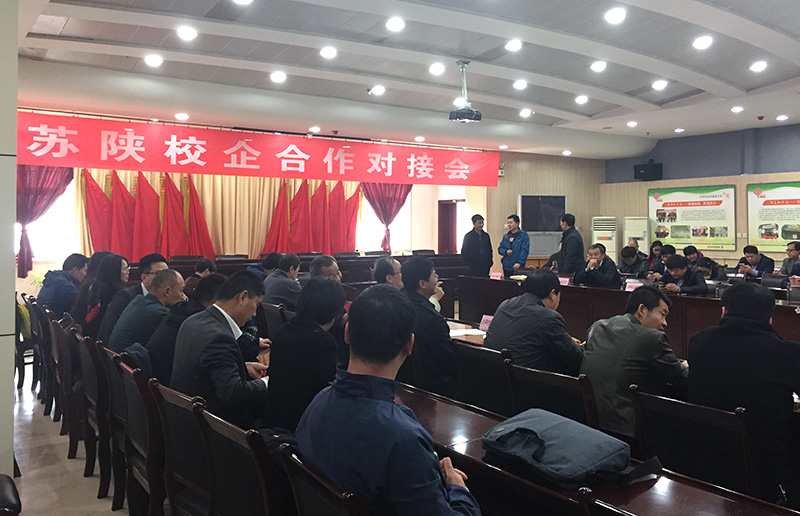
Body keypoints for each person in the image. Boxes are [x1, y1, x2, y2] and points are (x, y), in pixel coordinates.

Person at [295, 285, 481, 516]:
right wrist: (458, 488)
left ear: (347, 333)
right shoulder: (402, 440)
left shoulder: (317, 403)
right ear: (409, 345)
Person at [689, 282, 800, 508]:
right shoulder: (787, 353)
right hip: (768, 467)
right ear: (770, 318)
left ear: (723, 311)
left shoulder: (698, 341)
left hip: (705, 457)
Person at [579, 286, 688, 437]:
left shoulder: (598, 327)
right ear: (642, 310)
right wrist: (684, 366)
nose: (665, 323)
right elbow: (681, 377)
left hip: (587, 420)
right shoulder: (652, 338)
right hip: (626, 428)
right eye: (662, 314)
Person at [171, 271, 268, 429]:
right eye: (256, 305)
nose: (254, 314)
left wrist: (243, 368)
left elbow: (205, 370)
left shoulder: (194, 320)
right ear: (243, 297)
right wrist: (265, 382)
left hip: (185, 415)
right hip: (211, 428)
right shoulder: (220, 337)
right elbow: (233, 394)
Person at [265, 276, 345, 432]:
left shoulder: (283, 331)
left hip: (275, 417)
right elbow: (329, 389)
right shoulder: (323, 342)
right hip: (303, 424)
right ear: (334, 311)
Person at [484, 270, 583, 375]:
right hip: (525, 381)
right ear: (552, 294)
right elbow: (576, 358)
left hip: (491, 375)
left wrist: (566, 339)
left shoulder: (505, 305)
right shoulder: (549, 317)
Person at [147, 273, 226, 386]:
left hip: (160, 381)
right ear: (216, 300)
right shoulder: (202, 322)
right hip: (171, 388)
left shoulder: (181, 310)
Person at [401, 257, 458, 398]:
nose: (437, 278)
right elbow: (448, 362)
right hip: (434, 387)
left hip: (403, 381)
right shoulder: (433, 320)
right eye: (434, 275)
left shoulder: (398, 305)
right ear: (422, 284)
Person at [97, 253, 168, 346]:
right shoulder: (125, 298)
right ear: (144, 277)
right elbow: (108, 331)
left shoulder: (169, 296)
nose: (166, 278)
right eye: (159, 274)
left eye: (168, 273)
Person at [108, 269, 185, 352]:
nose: (183, 296)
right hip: (126, 359)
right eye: (181, 291)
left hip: (114, 358)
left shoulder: (138, 301)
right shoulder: (159, 314)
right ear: (167, 291)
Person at [77, 254, 129, 340]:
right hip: (101, 336)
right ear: (114, 271)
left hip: (89, 332)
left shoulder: (97, 285)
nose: (128, 272)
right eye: (124, 269)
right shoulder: (117, 291)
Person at [498, 214, 529, 279]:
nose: (509, 225)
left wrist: (520, 263)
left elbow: (524, 250)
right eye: (508, 223)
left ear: (517, 223)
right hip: (506, 266)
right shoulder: (506, 236)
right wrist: (506, 251)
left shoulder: (523, 235)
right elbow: (500, 249)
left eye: (511, 223)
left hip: (517, 266)